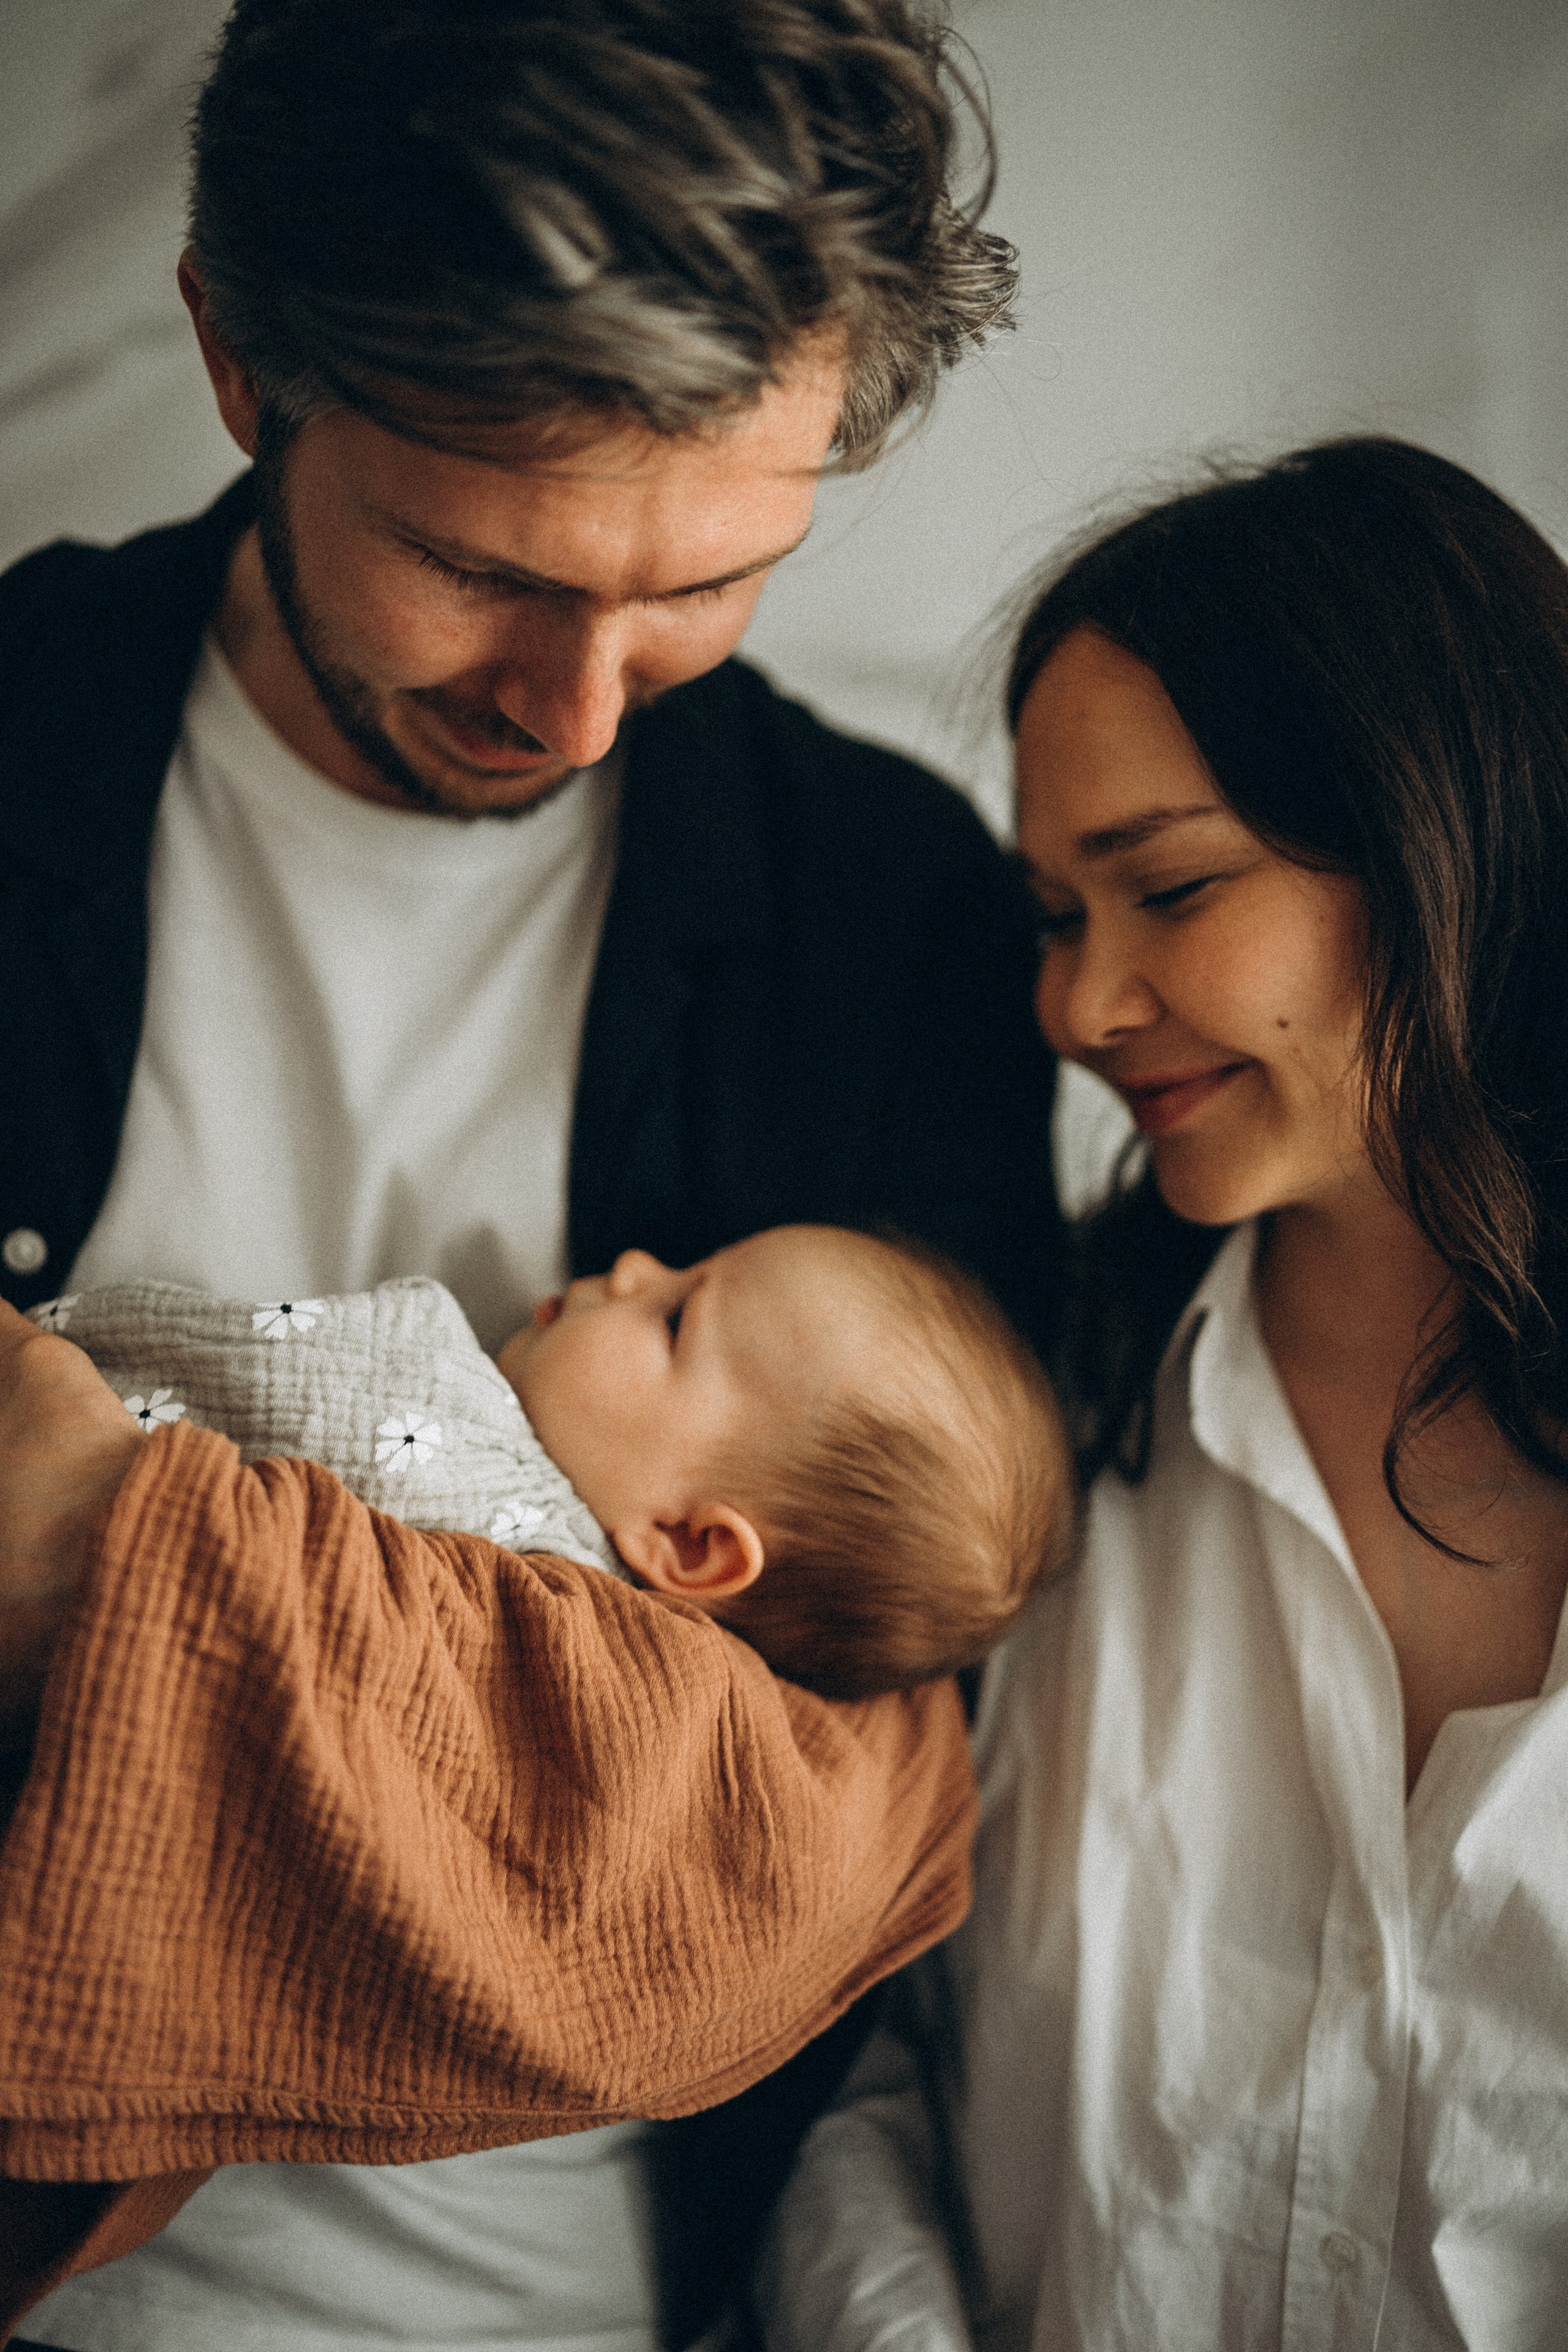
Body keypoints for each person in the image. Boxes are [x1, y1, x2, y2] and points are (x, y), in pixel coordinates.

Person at [0, 1, 1061, 2345]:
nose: (579, 709)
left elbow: (838, 1809)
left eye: (704, 581)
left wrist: (93, 1553)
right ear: (234, 354)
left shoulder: (889, 922)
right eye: (481, 563)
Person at [760, 436, 1568, 2349]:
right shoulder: (1018, 1439)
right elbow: (849, 2052)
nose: (1081, 1005)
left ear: (1458, 842)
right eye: (1056, 914)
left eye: (1171, 889)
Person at [49, 1227, 1069, 1700]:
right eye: (684, 1260)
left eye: (674, 1317)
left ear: (688, 1541)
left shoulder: (521, 1593)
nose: (633, 1264)